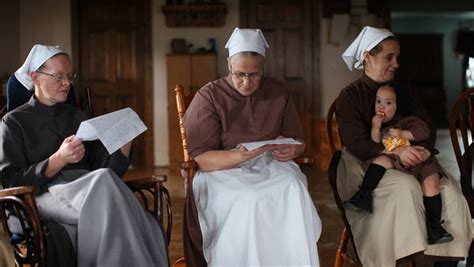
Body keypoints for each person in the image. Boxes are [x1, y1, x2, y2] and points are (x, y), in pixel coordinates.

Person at [0, 44, 168, 266]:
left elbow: (110, 172)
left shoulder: (79, 116)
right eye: (59, 76)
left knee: (104, 182)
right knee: (132, 211)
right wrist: (58, 159)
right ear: (36, 78)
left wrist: (124, 144)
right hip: (41, 194)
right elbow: (9, 180)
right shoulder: (13, 122)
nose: (67, 83)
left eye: (70, 76)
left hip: (92, 188)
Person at [183, 28, 321, 267]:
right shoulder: (209, 96)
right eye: (240, 74)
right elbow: (202, 159)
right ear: (228, 65)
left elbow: (297, 140)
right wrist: (237, 157)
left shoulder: (277, 91)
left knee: (294, 187)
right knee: (251, 198)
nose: (246, 82)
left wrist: (295, 150)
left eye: (254, 75)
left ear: (263, 67)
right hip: (221, 171)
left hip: (269, 164)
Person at [335, 26, 471, 267]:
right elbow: (356, 143)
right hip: (367, 165)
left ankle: (441, 260)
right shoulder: (350, 96)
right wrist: (395, 151)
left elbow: (426, 126)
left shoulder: (404, 92)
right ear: (368, 56)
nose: (396, 64)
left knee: (448, 192)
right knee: (406, 187)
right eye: (389, 57)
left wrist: (426, 150)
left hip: (414, 160)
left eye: (397, 57)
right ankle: (408, 257)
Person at [343, 83, 454, 244]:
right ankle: (363, 195)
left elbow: (424, 132)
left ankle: (434, 226)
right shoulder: (381, 125)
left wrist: (403, 133)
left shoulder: (408, 120)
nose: (382, 107)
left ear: (398, 105)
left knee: (431, 183)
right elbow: (376, 142)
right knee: (381, 160)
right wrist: (375, 127)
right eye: (378, 102)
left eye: (388, 103)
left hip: (419, 159)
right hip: (396, 159)